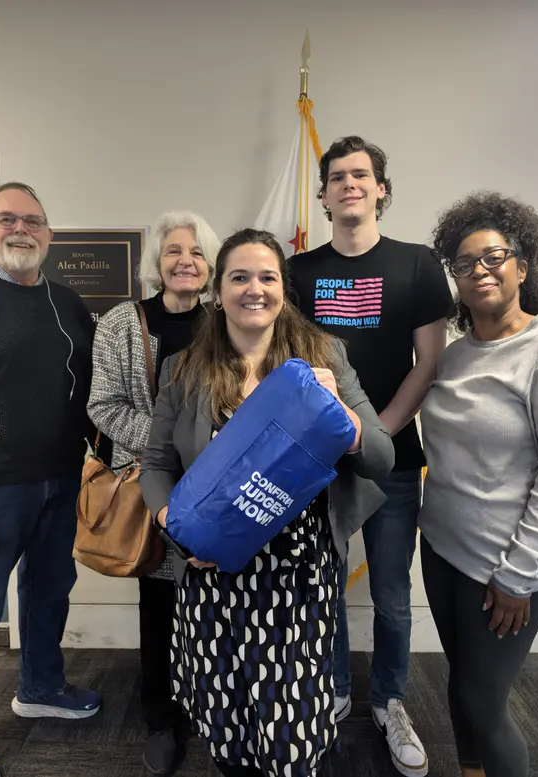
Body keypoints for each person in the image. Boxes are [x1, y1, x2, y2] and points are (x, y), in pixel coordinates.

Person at [139, 228, 394, 777]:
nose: (254, 289)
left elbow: (380, 457)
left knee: (292, 735)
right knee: (228, 728)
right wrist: (176, 530)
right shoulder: (183, 369)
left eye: (267, 277)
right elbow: (156, 465)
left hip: (298, 578)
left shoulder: (323, 357)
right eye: (239, 277)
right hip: (213, 574)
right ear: (219, 290)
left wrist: (342, 420)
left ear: (284, 288)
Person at [289, 136, 452, 777]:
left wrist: (374, 438)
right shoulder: (298, 271)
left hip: (395, 459)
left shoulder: (416, 264)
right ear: (325, 194)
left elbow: (430, 362)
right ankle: (329, 695)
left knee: (388, 594)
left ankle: (388, 701)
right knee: (319, 589)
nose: (349, 184)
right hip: (315, 462)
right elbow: (290, 367)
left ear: (380, 188)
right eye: (337, 177)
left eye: (361, 175)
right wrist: (337, 443)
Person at [0, 182, 100, 777]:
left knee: (49, 592)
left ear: (49, 233)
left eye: (32, 220)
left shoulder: (68, 304)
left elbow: (92, 396)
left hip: (61, 481)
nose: (20, 229)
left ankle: (41, 687)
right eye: (6, 219)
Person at [87, 211, 220, 775]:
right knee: (161, 609)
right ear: (155, 263)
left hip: (218, 486)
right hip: (152, 486)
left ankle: (215, 709)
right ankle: (161, 719)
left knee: (218, 602)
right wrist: (169, 445)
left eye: (195, 251)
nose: (184, 259)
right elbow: (102, 405)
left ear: (210, 265)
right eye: (173, 250)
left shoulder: (226, 319)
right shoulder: (120, 323)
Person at [419, 192, 538, 777]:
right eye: (465, 263)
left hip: (504, 567)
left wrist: (519, 575)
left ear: (522, 264)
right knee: (461, 684)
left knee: (487, 702)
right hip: (440, 548)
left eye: (494, 256)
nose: (480, 271)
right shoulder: (453, 354)